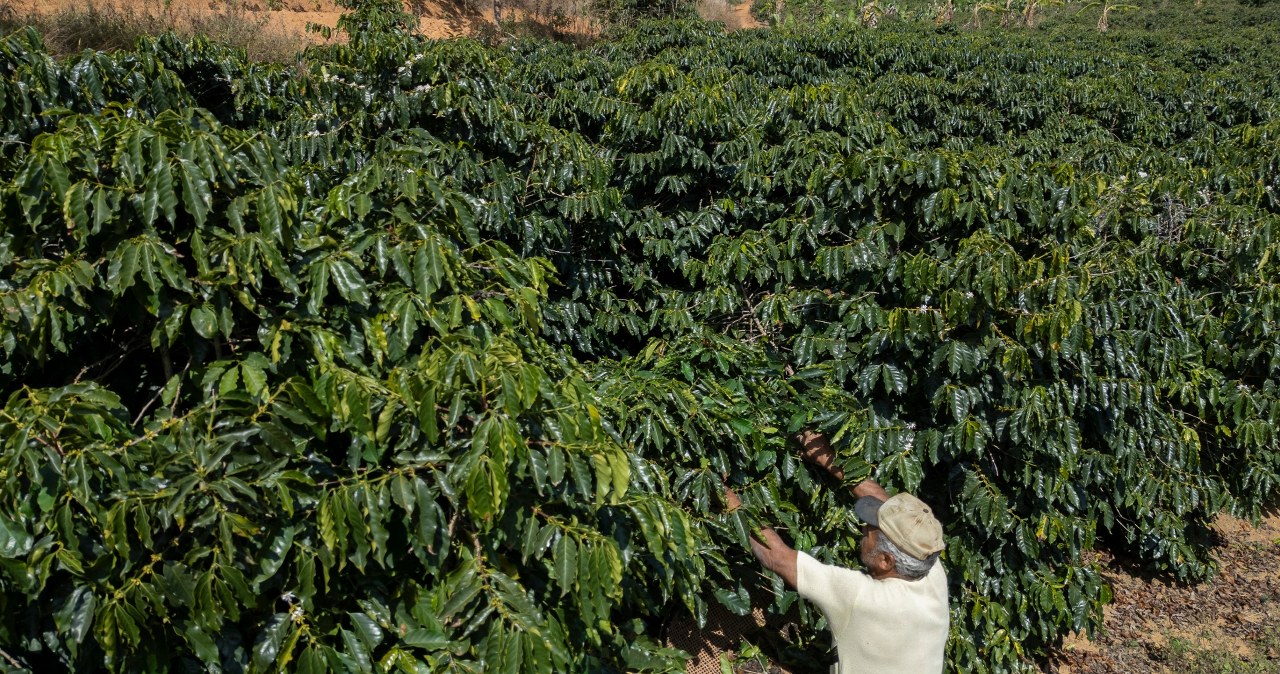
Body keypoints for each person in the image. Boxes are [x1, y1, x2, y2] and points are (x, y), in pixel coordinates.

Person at [722, 431, 948, 674]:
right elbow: (891, 509)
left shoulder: (861, 597)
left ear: (886, 560)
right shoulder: (930, 569)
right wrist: (827, 459)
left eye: (870, 528)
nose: (863, 528)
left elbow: (776, 556)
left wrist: (725, 497)